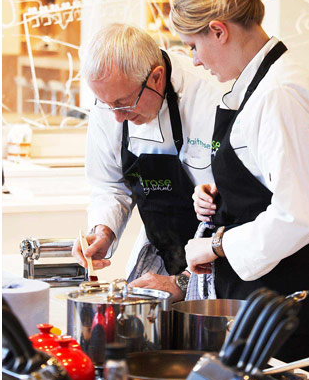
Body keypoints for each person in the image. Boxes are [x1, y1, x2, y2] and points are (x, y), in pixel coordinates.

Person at [171, 0, 309, 377]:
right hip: (267, 288)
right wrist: (221, 195)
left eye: (192, 45)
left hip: (295, 292)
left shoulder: (279, 93)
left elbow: (301, 213)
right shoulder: (257, 86)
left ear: (218, 31)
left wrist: (216, 246)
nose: (194, 60)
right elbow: (272, 181)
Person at [74, 23, 224, 302]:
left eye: (123, 103)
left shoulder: (210, 95)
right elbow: (109, 185)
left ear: (156, 78)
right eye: (107, 105)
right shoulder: (109, 101)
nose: (117, 117)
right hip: (163, 249)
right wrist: (103, 231)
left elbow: (238, 211)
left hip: (220, 262)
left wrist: (183, 281)